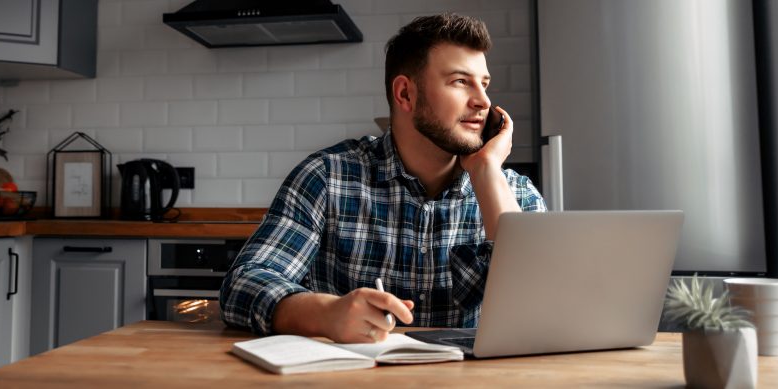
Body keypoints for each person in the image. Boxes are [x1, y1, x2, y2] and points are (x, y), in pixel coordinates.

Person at [220, 13, 546, 344]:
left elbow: (545, 309)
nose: (483, 101)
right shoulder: (326, 177)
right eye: (460, 82)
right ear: (405, 94)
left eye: (484, 84)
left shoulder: (516, 193)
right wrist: (326, 315)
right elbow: (243, 285)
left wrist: (487, 169)